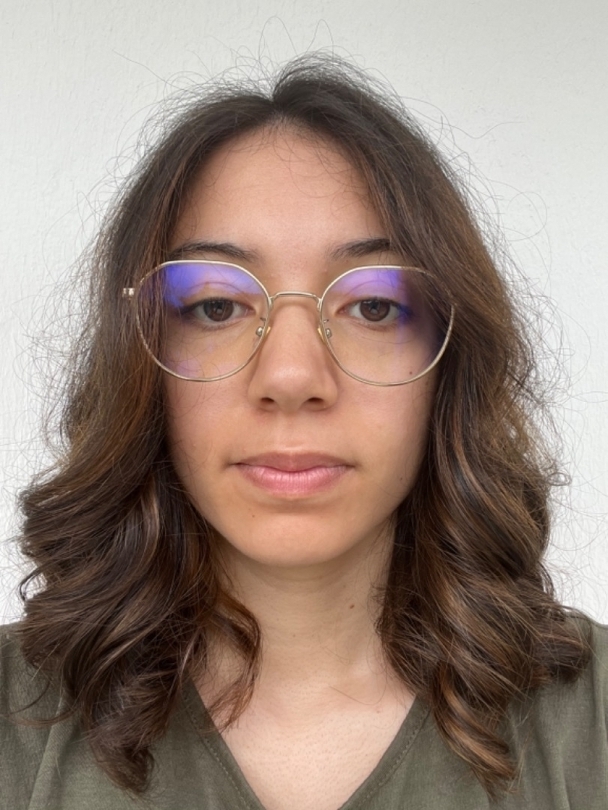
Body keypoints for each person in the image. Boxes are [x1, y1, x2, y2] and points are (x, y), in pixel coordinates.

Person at [0, 54, 606, 810]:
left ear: (450, 362)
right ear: (139, 363)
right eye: (216, 306)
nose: (291, 376)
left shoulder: (592, 723)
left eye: (374, 306)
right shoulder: (15, 726)